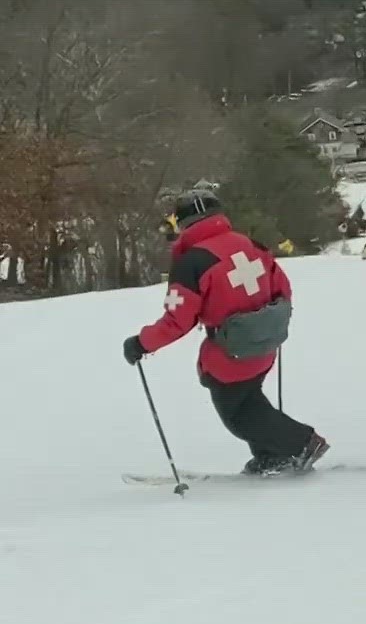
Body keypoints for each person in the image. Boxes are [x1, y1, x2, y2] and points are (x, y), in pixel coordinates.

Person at [122, 190, 328, 476]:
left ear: (182, 224)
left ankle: (302, 444)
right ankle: (271, 456)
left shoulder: (190, 263)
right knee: (251, 400)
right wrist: (268, 319)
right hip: (265, 343)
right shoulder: (250, 245)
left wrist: (142, 342)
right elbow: (283, 287)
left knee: (238, 415)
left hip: (231, 353)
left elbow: (177, 320)